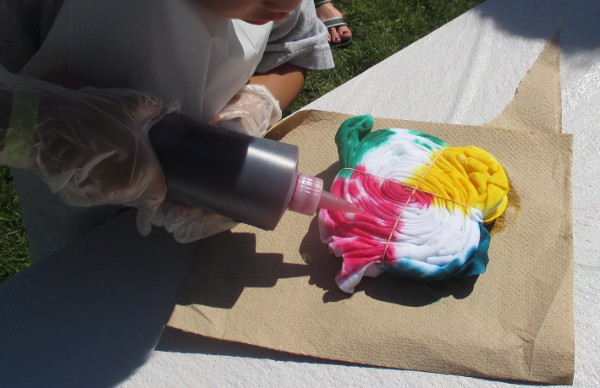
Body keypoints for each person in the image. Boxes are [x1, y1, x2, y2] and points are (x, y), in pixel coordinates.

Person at [0, 0, 334, 261]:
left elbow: (294, 51)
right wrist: (42, 131)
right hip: (75, 216)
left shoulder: (278, 8)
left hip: (208, 196)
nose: (289, 6)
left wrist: (251, 107)